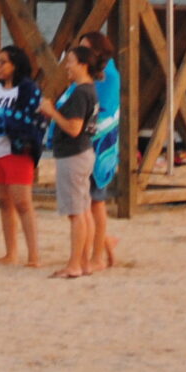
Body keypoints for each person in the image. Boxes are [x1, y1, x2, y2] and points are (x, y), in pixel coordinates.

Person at [37, 44, 97, 278]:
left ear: (82, 64)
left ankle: (74, 264)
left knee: (76, 212)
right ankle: (82, 262)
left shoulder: (82, 92)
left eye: (70, 61)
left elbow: (74, 128)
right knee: (82, 209)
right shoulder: (86, 90)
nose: (67, 66)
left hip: (74, 154)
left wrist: (51, 112)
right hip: (80, 153)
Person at [0, 44, 44, 267]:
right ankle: (11, 253)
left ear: (15, 65)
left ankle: (34, 255)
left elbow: (33, 120)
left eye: (2, 62)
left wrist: (6, 120)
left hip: (18, 151)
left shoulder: (27, 88)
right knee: (4, 201)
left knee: (23, 203)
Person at [81, 30, 121, 271]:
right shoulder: (89, 74)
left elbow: (103, 110)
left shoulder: (109, 75)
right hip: (85, 139)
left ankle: (97, 256)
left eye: (85, 49)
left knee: (96, 201)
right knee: (85, 201)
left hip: (101, 143)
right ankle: (101, 242)